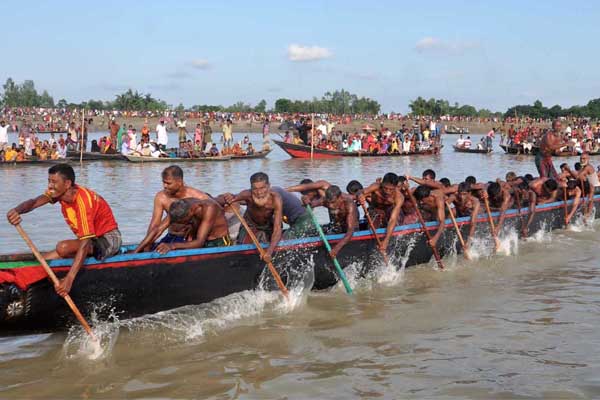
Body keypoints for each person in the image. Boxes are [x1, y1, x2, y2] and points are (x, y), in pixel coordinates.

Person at [6, 164, 121, 296]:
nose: (50, 186)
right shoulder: (57, 194)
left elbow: (84, 242)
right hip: (90, 241)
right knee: (41, 261)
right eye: (49, 181)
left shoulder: (83, 201)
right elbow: (34, 202)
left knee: (63, 247)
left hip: (108, 240)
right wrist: (16, 211)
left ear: (67, 184)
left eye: (54, 182)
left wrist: (69, 279)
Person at [134, 166, 210, 253]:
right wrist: (147, 245)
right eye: (163, 182)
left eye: (168, 183)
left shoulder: (197, 196)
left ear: (180, 182)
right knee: (153, 250)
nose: (164, 186)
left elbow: (213, 212)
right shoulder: (161, 197)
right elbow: (155, 225)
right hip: (171, 235)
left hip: (191, 240)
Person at [221, 172, 283, 263]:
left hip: (268, 226)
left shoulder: (276, 199)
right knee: (243, 250)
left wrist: (269, 252)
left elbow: (277, 228)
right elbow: (232, 198)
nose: (259, 193)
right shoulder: (247, 194)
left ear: (269, 186)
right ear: (251, 188)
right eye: (255, 189)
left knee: (273, 243)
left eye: (262, 188)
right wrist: (228, 197)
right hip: (249, 226)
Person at [136, 198, 232, 254]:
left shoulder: (208, 208)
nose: (182, 225)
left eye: (183, 222)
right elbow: (157, 230)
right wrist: (136, 251)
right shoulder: (178, 207)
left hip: (218, 242)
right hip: (200, 241)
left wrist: (171, 246)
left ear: (190, 213)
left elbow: (199, 242)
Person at [303, 185, 358, 258]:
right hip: (335, 228)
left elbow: (350, 231)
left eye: (333, 202)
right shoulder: (325, 200)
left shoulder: (349, 204)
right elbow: (309, 205)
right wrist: (305, 200)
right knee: (310, 232)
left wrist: (336, 248)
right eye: (328, 203)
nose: (330, 206)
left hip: (352, 232)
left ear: (340, 198)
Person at [358, 173, 404, 252]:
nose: (388, 192)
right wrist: (360, 195)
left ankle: (389, 243)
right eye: (385, 188)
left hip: (389, 213)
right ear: (382, 184)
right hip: (375, 211)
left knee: (396, 218)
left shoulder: (399, 197)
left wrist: (386, 240)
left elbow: (393, 219)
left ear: (396, 187)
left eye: (391, 189)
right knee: (372, 228)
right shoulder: (376, 187)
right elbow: (361, 192)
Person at [449, 182, 481, 246]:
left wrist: (469, 241)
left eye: (464, 194)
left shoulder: (475, 201)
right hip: (459, 215)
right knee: (453, 210)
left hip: (471, 216)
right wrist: (448, 200)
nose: (462, 197)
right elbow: (445, 204)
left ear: (469, 193)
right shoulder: (454, 197)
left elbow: (473, 222)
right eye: (460, 194)